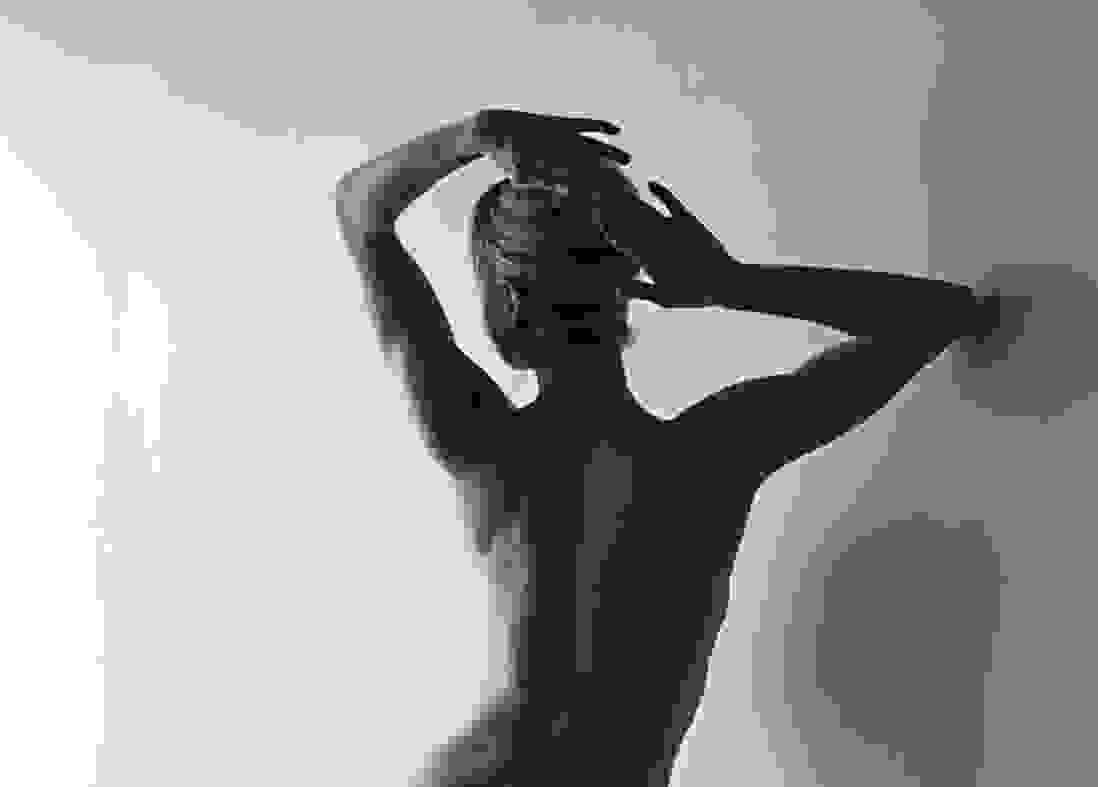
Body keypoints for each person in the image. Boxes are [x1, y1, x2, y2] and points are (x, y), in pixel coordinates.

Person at [334, 109, 998, 786]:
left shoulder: (486, 438)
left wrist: (479, 133)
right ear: (630, 283)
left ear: (503, 302)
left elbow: (360, 209)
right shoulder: (710, 453)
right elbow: (936, 315)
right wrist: (729, 282)